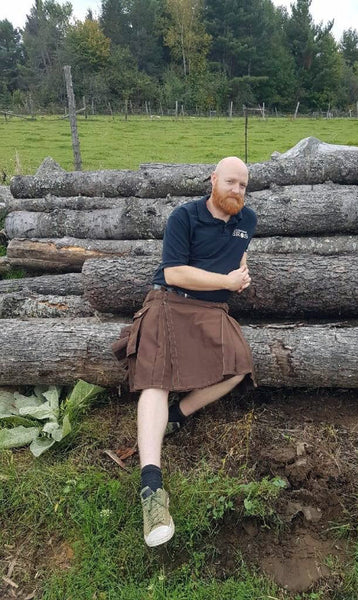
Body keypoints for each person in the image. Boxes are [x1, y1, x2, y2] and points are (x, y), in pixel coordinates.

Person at [112, 156, 257, 548]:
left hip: (212, 310)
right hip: (169, 300)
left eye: (243, 185)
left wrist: (240, 275)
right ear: (213, 180)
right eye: (230, 182)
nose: (237, 191)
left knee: (239, 368)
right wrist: (225, 279)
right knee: (155, 380)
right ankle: (151, 490)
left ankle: (177, 416)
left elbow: (237, 258)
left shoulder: (247, 221)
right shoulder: (185, 216)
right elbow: (174, 272)